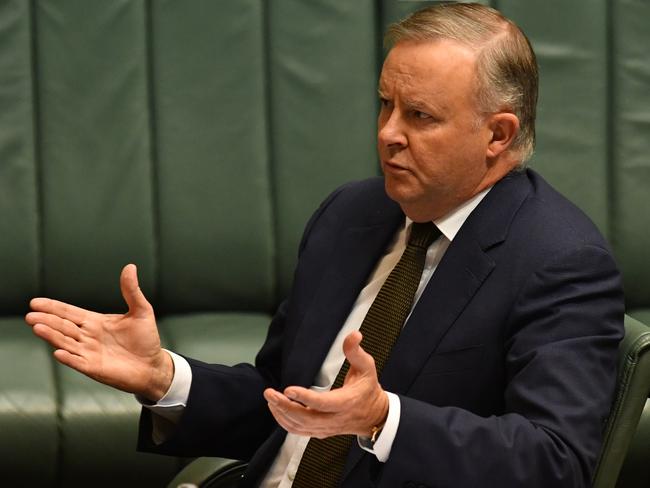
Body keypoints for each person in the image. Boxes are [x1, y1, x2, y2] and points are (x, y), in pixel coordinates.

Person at [25, 3, 624, 487]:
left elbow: (556, 462)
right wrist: (164, 377)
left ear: (497, 134)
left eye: (419, 115)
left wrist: (383, 419)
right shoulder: (352, 215)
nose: (388, 133)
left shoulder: (560, 261)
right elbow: (281, 400)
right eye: (385, 104)